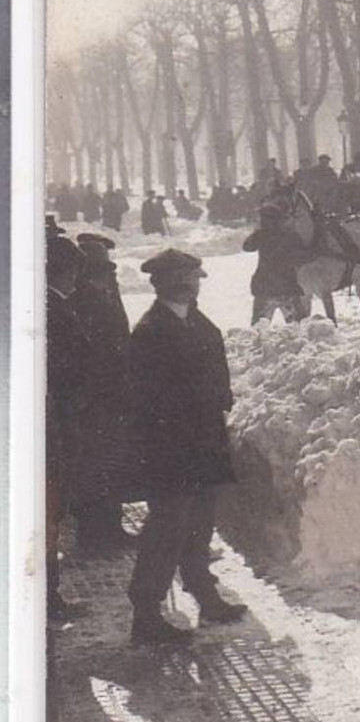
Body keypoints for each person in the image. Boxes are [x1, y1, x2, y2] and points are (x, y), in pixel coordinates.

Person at [126, 249, 247, 645]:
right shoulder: (149, 332)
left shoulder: (199, 323)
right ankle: (146, 614)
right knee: (167, 529)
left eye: (193, 277)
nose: (188, 284)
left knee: (199, 527)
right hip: (170, 450)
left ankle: (205, 595)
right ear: (159, 284)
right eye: (179, 278)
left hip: (203, 444)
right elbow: (148, 400)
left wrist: (219, 398)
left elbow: (217, 377)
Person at [70, 234, 137, 554]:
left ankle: (109, 528)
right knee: (96, 466)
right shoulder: (87, 303)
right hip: (99, 398)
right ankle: (95, 536)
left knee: (110, 464)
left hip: (111, 395)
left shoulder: (102, 297)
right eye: (100, 271)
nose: (105, 278)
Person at [45, 228, 88, 620]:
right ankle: (48, 599)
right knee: (48, 515)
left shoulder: (53, 306)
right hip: (55, 427)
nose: (76, 277)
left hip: (57, 424)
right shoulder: (53, 311)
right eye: (72, 270)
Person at [243, 203, 309, 324]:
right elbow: (305, 256)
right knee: (299, 327)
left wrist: (256, 231)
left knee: (259, 328)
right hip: (287, 286)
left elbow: (247, 246)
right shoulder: (290, 235)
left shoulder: (261, 235)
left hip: (264, 286)